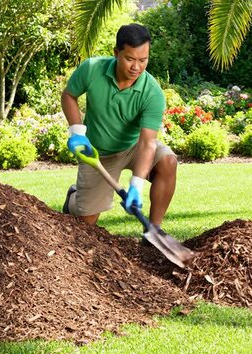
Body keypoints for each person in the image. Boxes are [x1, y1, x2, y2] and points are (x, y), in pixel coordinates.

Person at [61, 23, 176, 236]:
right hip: (99, 153)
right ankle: (72, 198)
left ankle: (153, 231)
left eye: (143, 60)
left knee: (168, 161)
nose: (137, 67)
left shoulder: (152, 93)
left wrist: (137, 185)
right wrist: (77, 132)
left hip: (134, 147)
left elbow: (147, 142)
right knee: (86, 221)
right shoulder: (92, 68)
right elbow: (69, 95)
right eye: (130, 59)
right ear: (116, 53)